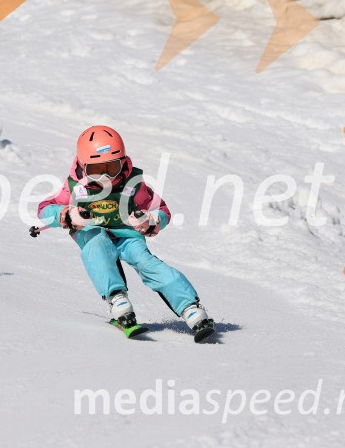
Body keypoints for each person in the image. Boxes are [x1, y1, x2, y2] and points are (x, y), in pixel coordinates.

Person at [37, 125, 215, 341]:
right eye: (96, 170)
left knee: (147, 262)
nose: (104, 177)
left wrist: (151, 220)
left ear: (122, 163)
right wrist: (66, 214)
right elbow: (44, 209)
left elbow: (162, 209)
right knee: (97, 246)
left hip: (127, 235)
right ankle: (117, 298)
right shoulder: (75, 187)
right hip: (92, 232)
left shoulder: (133, 184)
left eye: (111, 168)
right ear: (83, 166)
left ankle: (190, 308)